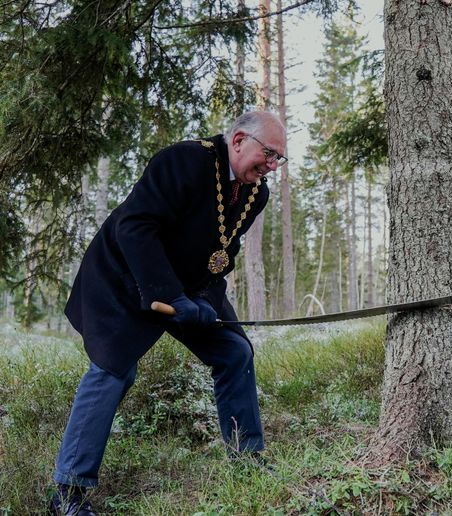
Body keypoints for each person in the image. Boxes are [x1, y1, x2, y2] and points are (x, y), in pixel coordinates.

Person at [50, 111, 287, 514]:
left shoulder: (255, 194)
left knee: (234, 352)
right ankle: (67, 494)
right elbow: (134, 228)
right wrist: (171, 296)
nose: (271, 166)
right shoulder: (185, 161)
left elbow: (217, 256)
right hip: (123, 277)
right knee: (113, 370)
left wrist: (201, 304)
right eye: (268, 154)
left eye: (279, 159)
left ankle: (247, 463)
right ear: (239, 140)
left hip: (188, 286)